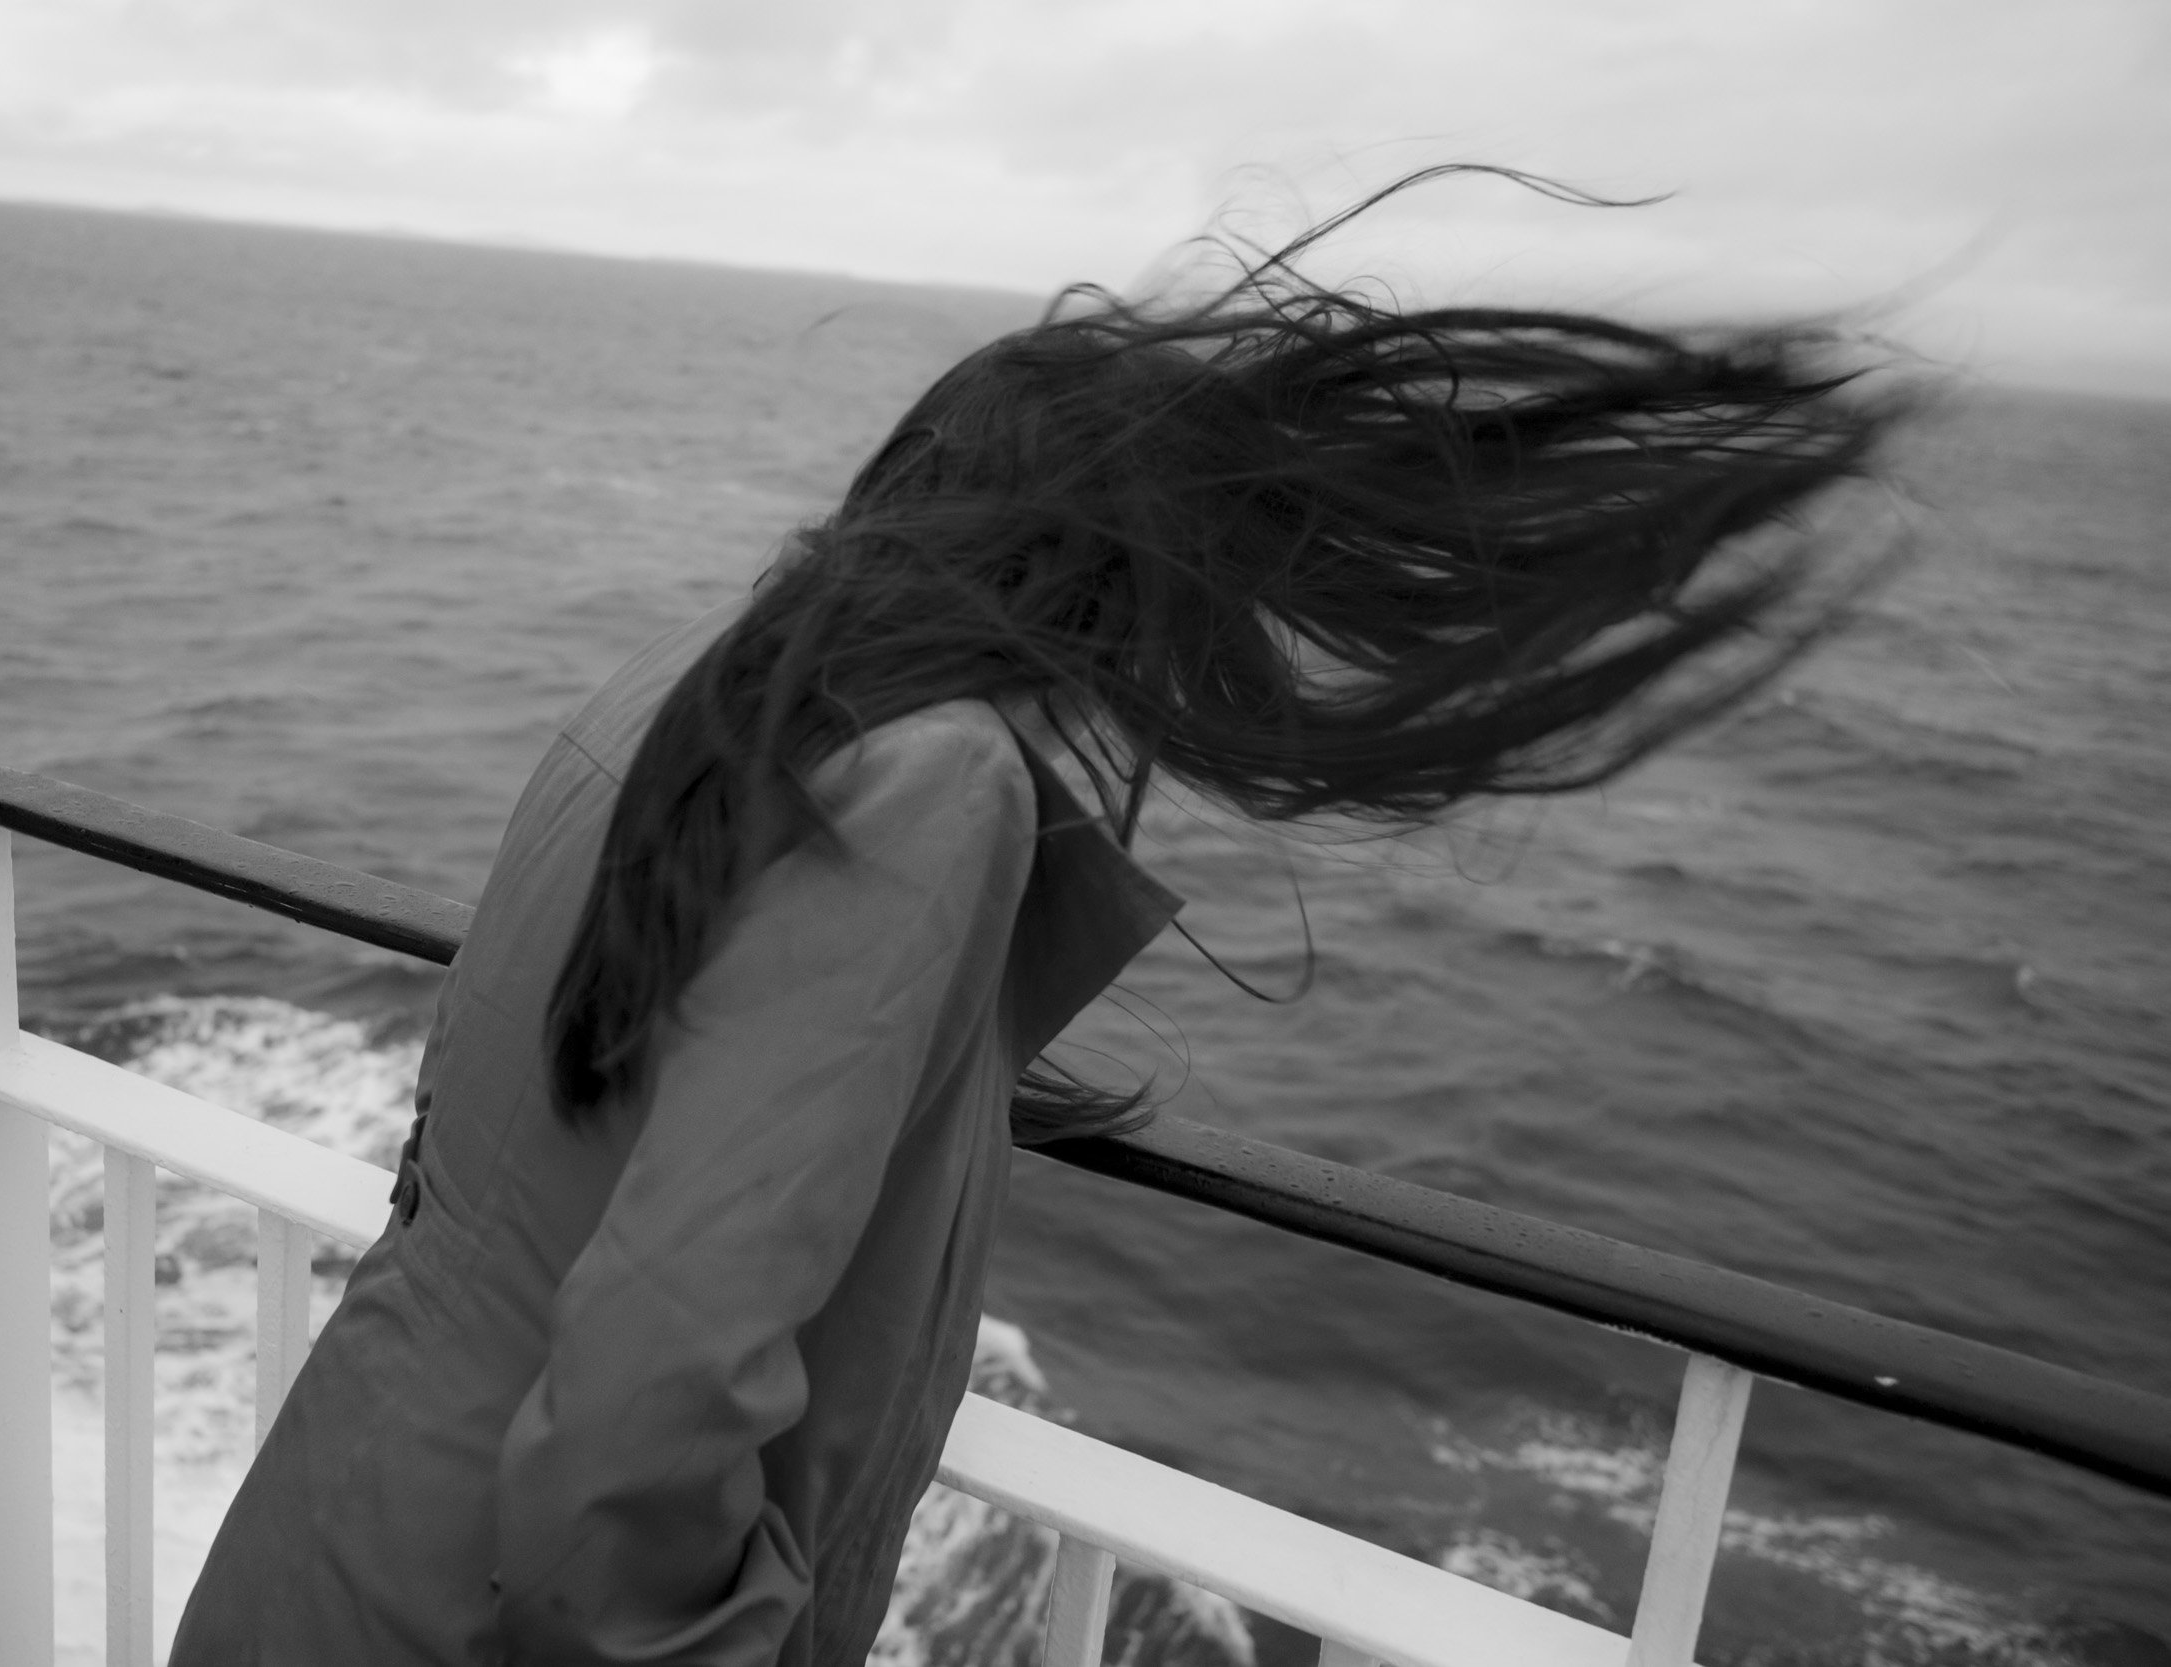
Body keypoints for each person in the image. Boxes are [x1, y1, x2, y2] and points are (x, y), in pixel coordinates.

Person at [167, 173, 1903, 1667]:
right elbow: (641, 1410)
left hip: (344, 1519)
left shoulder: (709, 690)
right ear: (1100, 576)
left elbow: (637, 1084)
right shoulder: (933, 785)